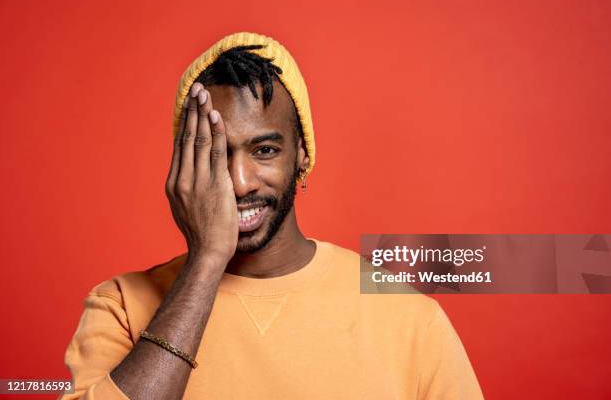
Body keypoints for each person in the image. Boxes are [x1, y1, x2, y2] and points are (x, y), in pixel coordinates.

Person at [59, 31, 484, 400]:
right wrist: (207, 262)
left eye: (265, 150)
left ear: (302, 153)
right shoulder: (121, 307)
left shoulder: (409, 320)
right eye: (215, 153)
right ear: (186, 163)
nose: (240, 182)